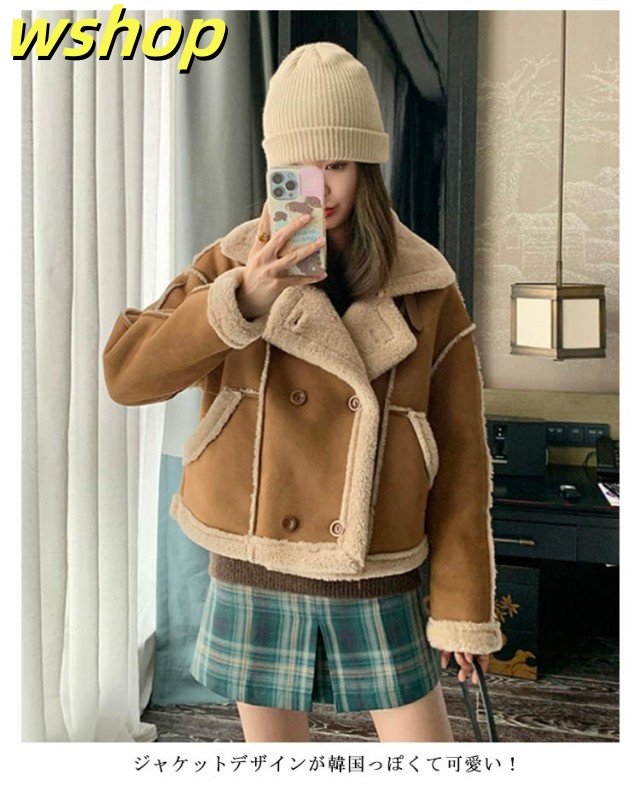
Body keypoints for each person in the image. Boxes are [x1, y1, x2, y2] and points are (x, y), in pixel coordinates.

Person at [103, 41, 502, 743]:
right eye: (299, 168)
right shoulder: (229, 263)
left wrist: (461, 608)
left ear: (368, 164)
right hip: (255, 559)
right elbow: (127, 374)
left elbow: (463, 458)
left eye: (337, 164)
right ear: (274, 171)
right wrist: (240, 301)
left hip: (375, 566)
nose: (319, 187)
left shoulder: (427, 285)